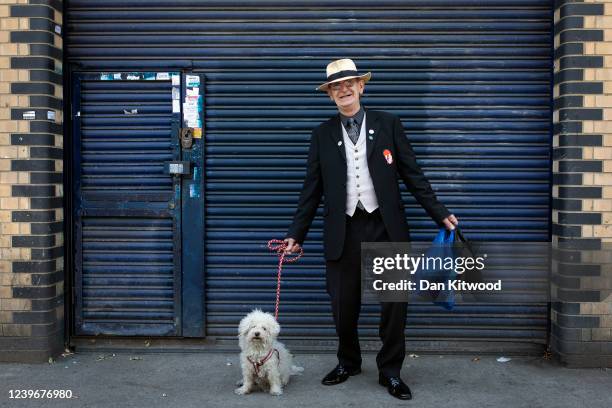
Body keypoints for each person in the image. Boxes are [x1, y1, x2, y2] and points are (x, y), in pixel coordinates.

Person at [284, 58, 458, 400]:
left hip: (385, 225)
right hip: (343, 229)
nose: (344, 90)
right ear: (330, 94)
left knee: (394, 305)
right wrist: (296, 234)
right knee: (343, 304)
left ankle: (390, 371)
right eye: (336, 86)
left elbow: (412, 174)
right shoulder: (321, 135)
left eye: (350, 83)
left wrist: (439, 212)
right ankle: (348, 362)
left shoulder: (389, 124)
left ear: (361, 86)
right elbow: (311, 189)